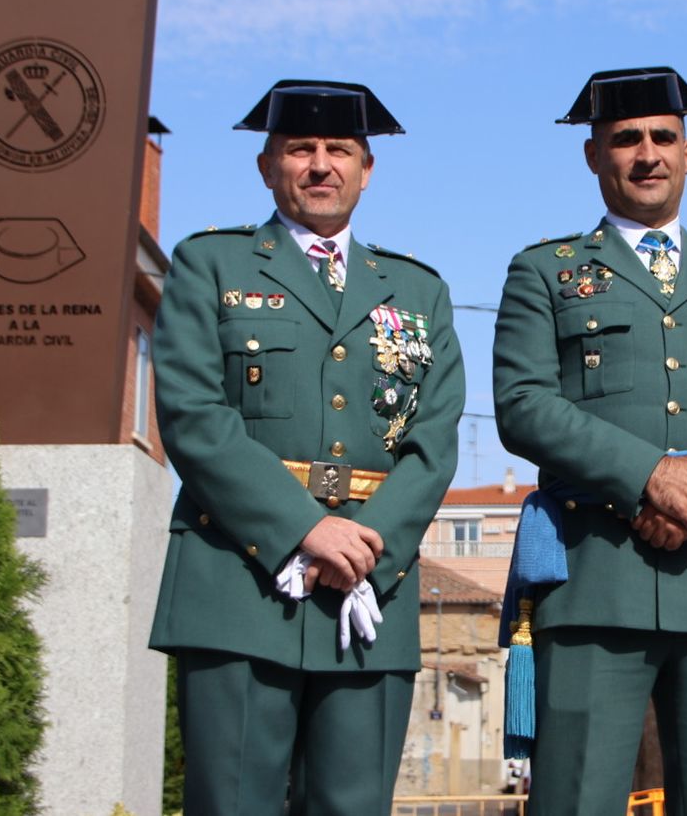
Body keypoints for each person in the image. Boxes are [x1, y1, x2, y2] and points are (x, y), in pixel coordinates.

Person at [493, 67, 687, 816]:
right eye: (626, 139)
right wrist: (649, 476)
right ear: (595, 155)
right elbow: (522, 403)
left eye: (663, 137)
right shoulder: (546, 271)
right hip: (597, 581)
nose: (647, 154)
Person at [149, 80, 463, 816]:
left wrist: (366, 550)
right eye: (301, 149)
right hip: (237, 586)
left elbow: (435, 438)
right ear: (267, 166)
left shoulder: (419, 291)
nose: (321, 165)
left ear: (366, 169)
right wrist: (305, 528)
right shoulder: (210, 266)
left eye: (339, 151)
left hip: (368, 595)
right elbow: (194, 416)